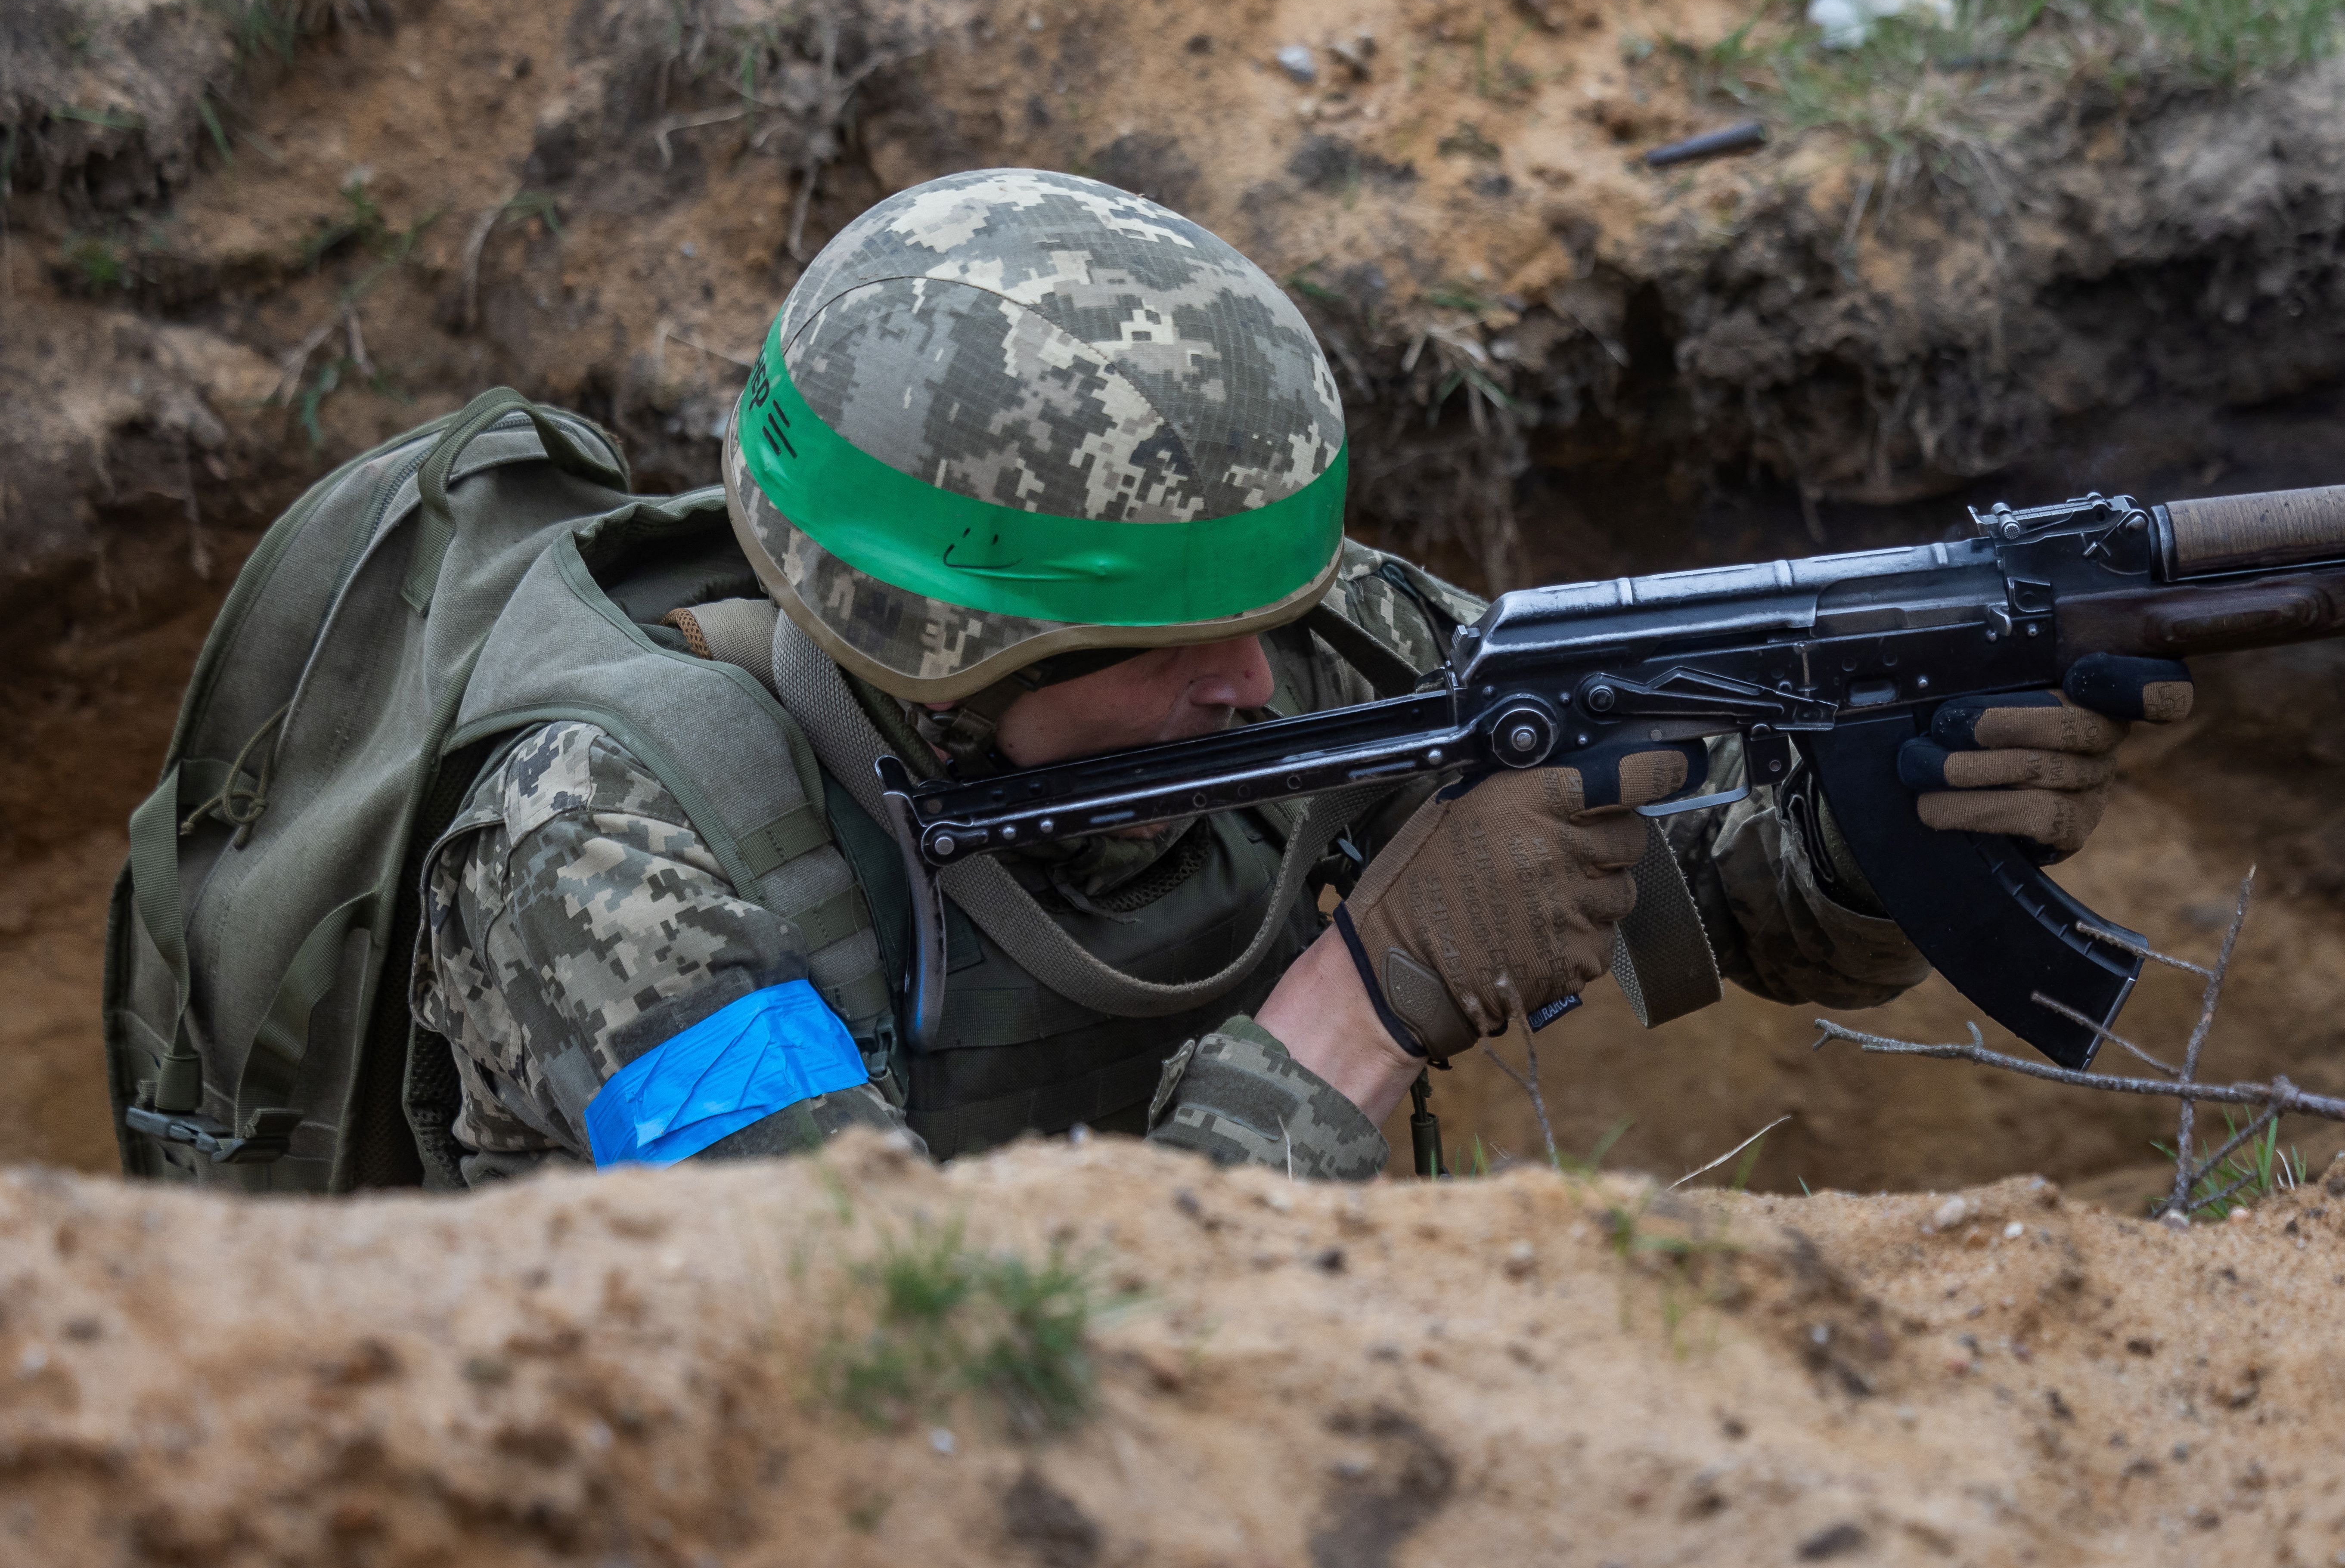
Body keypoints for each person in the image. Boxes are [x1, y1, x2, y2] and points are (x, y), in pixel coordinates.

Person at [411, 171, 2184, 1183]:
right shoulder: (610, 866)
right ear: (945, 653)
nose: (1258, 684)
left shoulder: (1293, 645)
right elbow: (917, 1400)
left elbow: (1708, 879)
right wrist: (1357, 1010)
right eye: (1167, 649)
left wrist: (1885, 821)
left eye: (1270, 604)